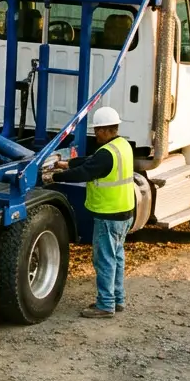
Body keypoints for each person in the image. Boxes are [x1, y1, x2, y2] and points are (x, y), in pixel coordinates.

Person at [49, 106, 135, 318]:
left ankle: (105, 305)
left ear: (106, 130)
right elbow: (91, 162)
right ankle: (118, 298)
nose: (95, 134)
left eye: (97, 130)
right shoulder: (122, 146)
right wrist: (66, 163)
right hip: (124, 211)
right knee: (116, 256)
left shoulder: (106, 154)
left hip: (108, 214)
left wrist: (55, 177)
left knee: (104, 259)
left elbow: (85, 172)